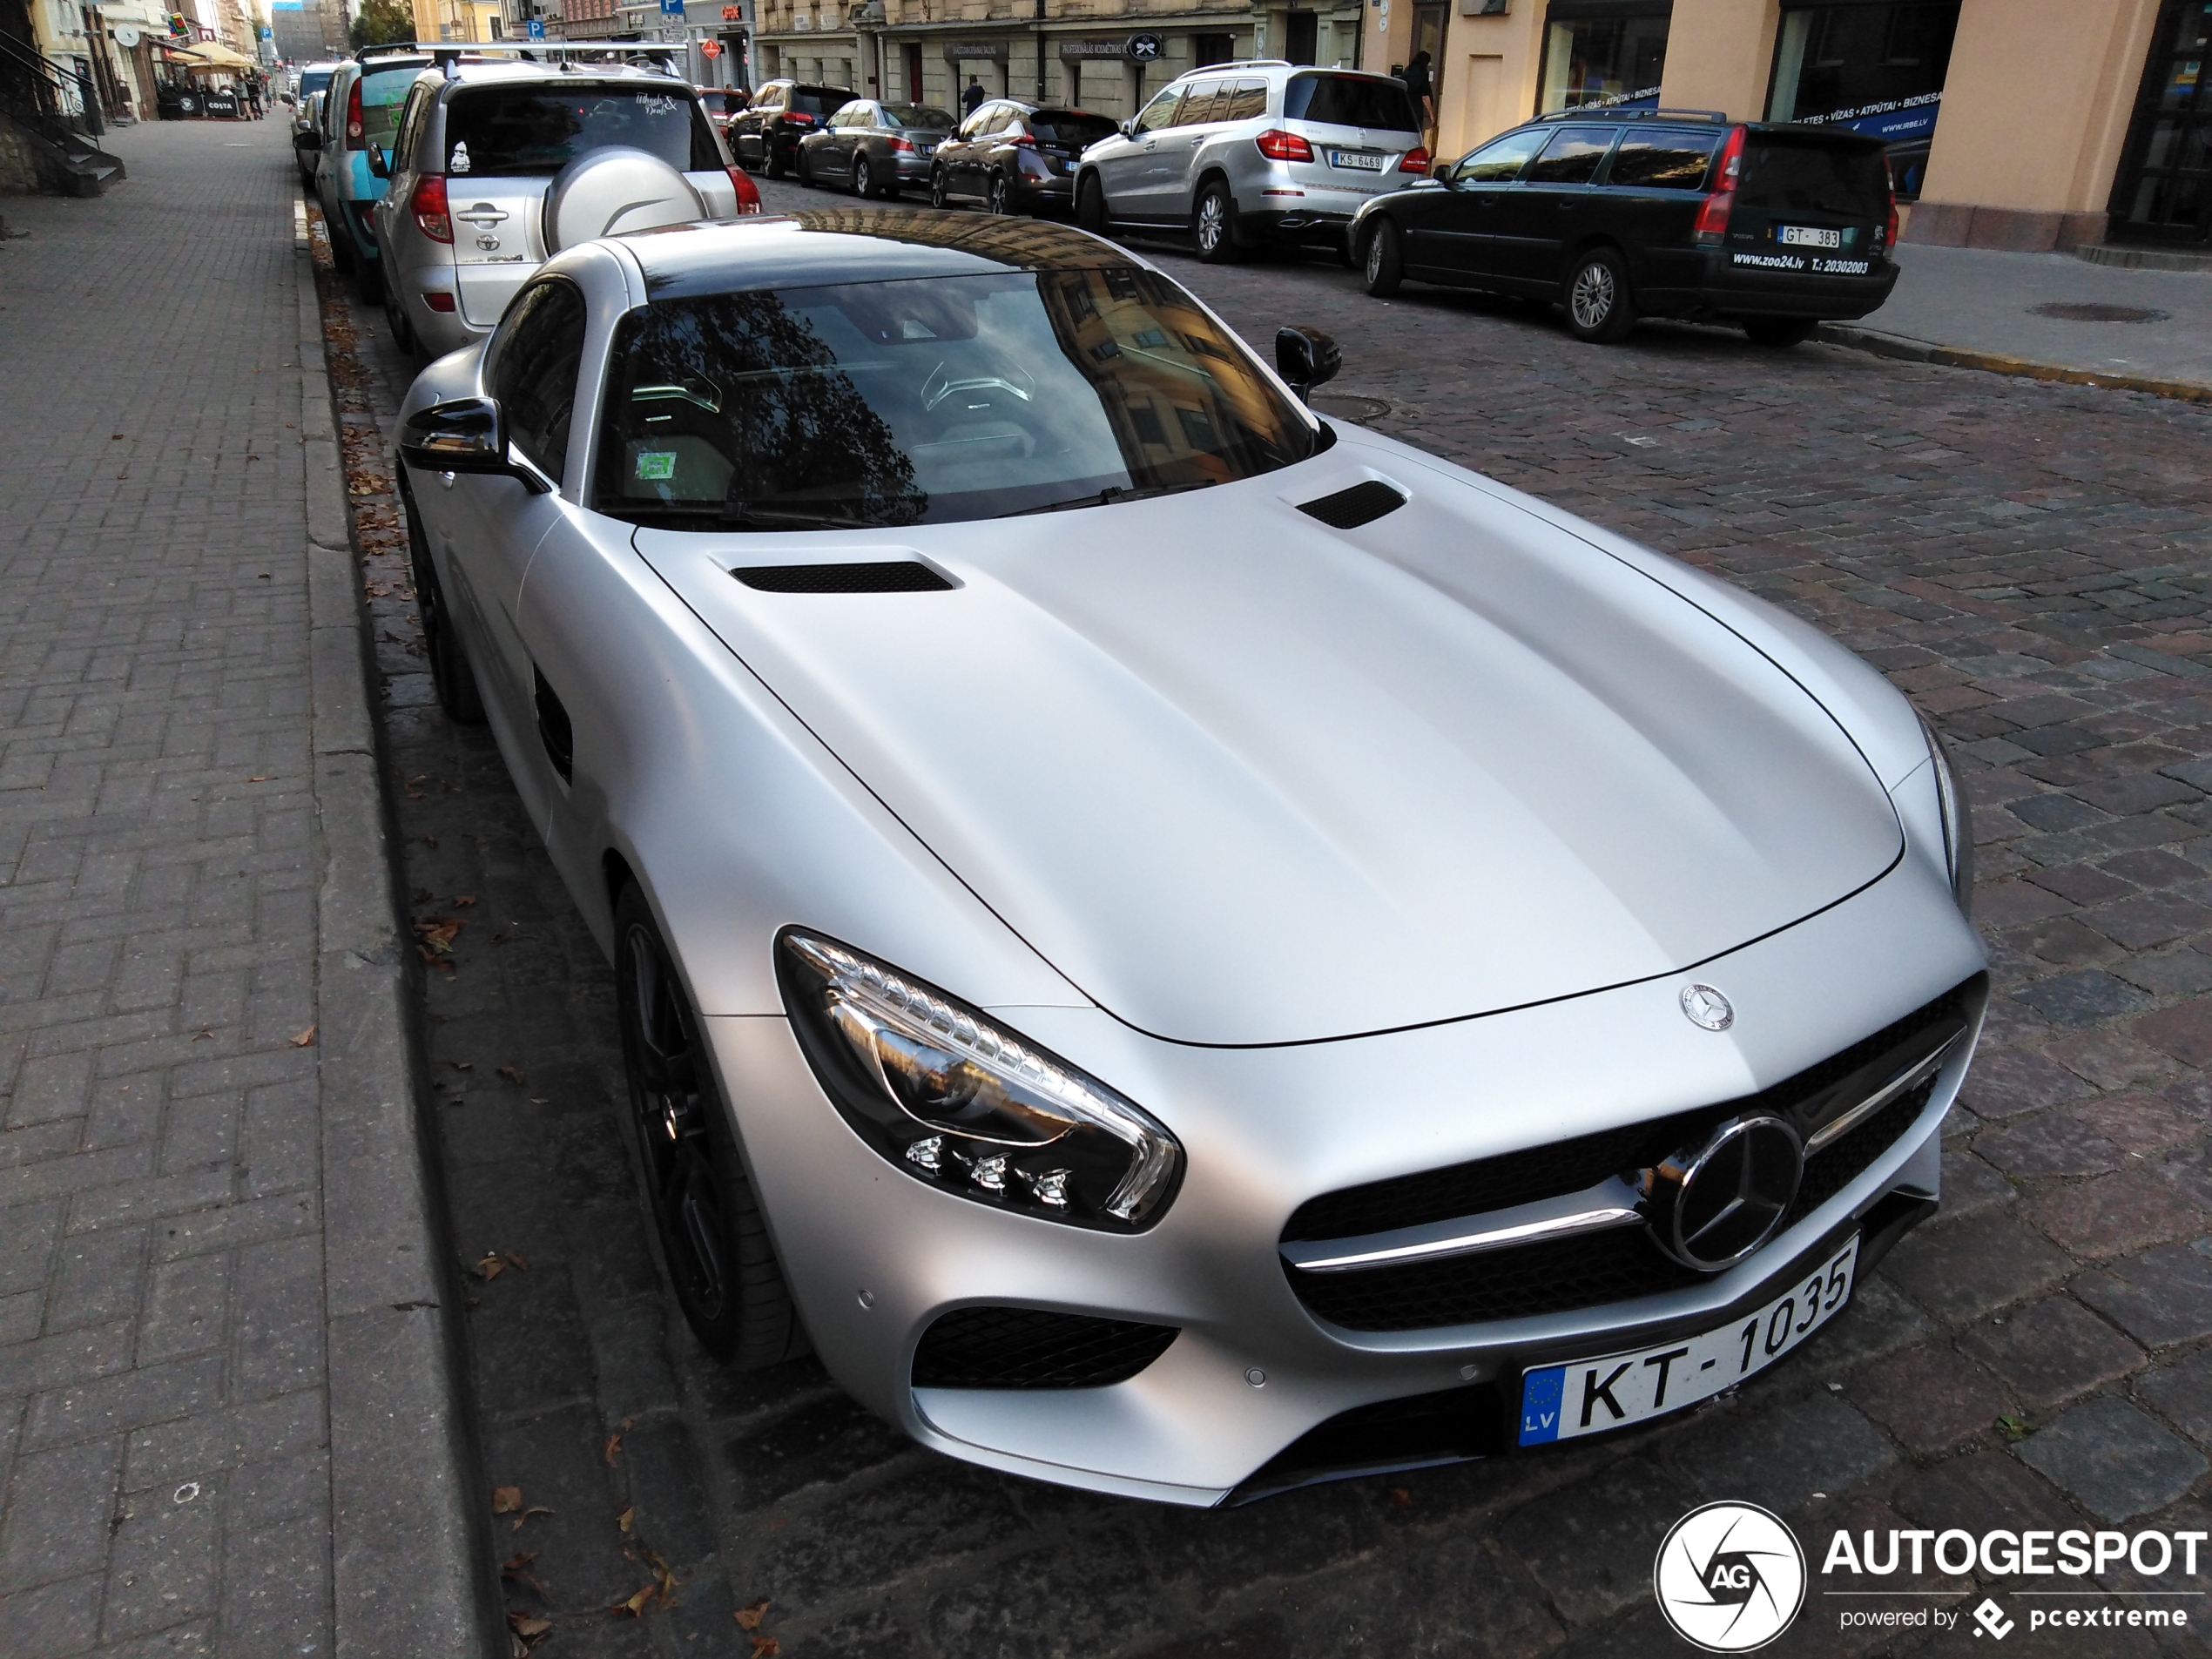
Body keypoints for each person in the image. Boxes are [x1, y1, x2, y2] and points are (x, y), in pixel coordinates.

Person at [1401, 50, 1435, 158]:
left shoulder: (1407, 71)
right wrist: (1431, 114)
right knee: (1415, 135)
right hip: (1415, 110)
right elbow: (1425, 96)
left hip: (1404, 108)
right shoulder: (1422, 74)